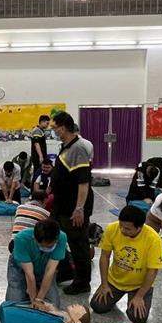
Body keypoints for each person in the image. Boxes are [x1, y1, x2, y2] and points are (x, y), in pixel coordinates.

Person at [91, 205, 162, 323]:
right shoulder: (112, 228)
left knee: (138, 318)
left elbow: (153, 271)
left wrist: (139, 296)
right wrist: (104, 284)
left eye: (127, 229)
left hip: (139, 285)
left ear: (139, 227)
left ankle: (137, 296)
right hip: (115, 280)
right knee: (97, 306)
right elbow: (104, 257)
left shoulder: (153, 239)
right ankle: (114, 296)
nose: (122, 230)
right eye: (121, 225)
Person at [49, 112, 94, 295]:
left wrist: (79, 208)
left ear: (63, 128)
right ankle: (65, 270)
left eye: (55, 128)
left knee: (78, 243)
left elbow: (83, 182)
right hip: (61, 204)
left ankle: (83, 282)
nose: (53, 131)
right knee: (54, 235)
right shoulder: (67, 147)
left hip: (74, 206)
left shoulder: (78, 148)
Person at [7, 219, 66, 307]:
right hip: (20, 269)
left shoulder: (61, 237)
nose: (45, 249)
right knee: (13, 305)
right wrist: (34, 301)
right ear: (34, 238)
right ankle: (28, 290)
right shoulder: (21, 238)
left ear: (56, 239)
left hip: (43, 269)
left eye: (49, 246)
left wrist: (39, 299)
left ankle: (34, 289)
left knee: (53, 305)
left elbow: (50, 271)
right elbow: (29, 274)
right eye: (42, 246)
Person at [28, 115, 51, 180]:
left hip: (40, 156)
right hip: (37, 157)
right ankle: (34, 185)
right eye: (47, 123)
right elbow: (36, 144)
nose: (47, 125)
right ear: (42, 122)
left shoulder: (41, 130)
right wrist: (40, 156)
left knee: (39, 174)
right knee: (37, 173)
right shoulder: (37, 131)